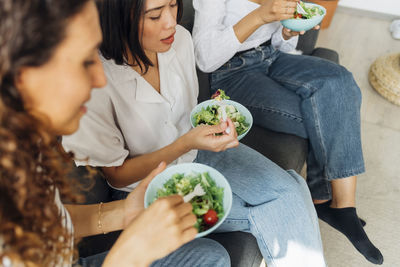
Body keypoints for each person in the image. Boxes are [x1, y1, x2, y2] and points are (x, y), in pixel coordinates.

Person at [62, 0, 327, 266]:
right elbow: (118, 177)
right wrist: (183, 144)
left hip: (199, 148)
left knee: (292, 189)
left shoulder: (180, 41)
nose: (170, 22)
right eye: (155, 16)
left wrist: (216, 115)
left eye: (173, 5)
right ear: (119, 20)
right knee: (275, 210)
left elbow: (187, 112)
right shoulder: (96, 81)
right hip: (148, 184)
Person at [0, 0, 231, 266]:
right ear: (24, 76)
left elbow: (48, 221)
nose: (100, 78)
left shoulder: (23, 148)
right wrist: (125, 258)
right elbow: (118, 175)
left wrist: (124, 212)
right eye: (84, 61)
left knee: (211, 257)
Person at [191, 0, 383, 264]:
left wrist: (285, 33)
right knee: (322, 114)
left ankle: (342, 205)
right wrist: (259, 15)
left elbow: (281, 45)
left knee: (340, 82)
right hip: (232, 73)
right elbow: (205, 59)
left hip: (271, 56)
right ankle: (324, 198)